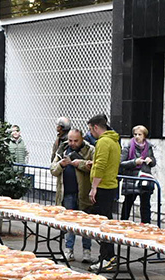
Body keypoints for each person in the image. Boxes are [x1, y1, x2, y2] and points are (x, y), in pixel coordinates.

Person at [52, 128, 94, 262]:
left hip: (83, 193)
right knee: (69, 223)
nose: (72, 143)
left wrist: (78, 164)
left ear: (82, 139)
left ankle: (87, 251)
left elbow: (94, 167)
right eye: (70, 140)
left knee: (85, 224)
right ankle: (68, 250)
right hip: (67, 193)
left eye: (76, 140)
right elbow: (53, 169)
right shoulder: (62, 149)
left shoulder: (90, 150)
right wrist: (61, 165)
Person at [87, 114, 122, 271]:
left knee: (101, 224)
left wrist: (94, 187)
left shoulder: (103, 142)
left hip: (103, 187)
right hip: (110, 185)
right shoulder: (114, 141)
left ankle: (106, 257)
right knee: (106, 221)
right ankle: (109, 256)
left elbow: (101, 165)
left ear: (95, 127)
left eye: (90, 129)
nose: (90, 133)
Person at [119, 124, 157, 224]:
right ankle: (123, 224)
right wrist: (134, 162)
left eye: (139, 134)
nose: (137, 136)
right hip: (131, 179)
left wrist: (151, 160)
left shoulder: (148, 147)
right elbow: (121, 162)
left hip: (144, 178)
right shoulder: (128, 146)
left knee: (145, 205)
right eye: (135, 134)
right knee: (128, 203)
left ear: (144, 136)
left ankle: (146, 225)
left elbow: (153, 162)